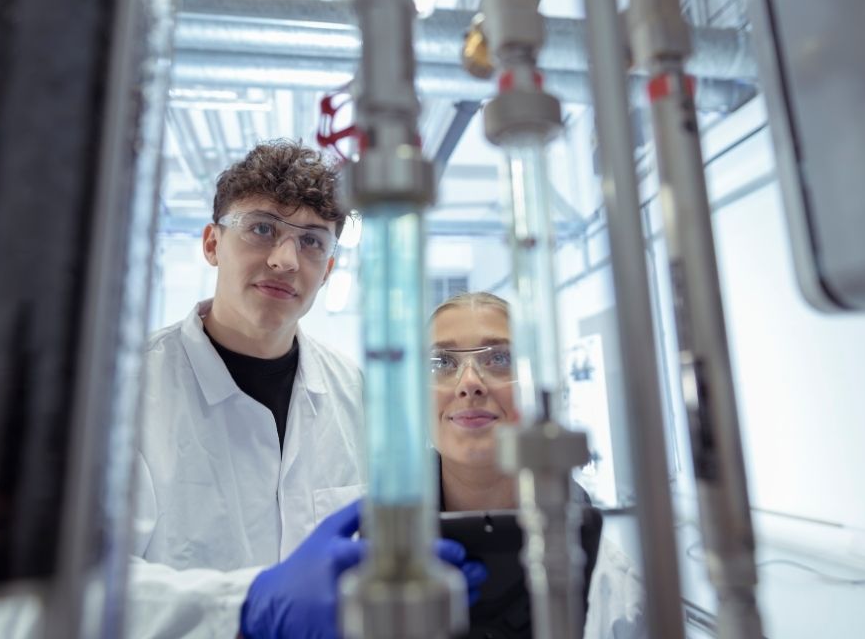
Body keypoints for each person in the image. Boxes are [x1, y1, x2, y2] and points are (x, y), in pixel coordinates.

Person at [126, 140, 478, 638]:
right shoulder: (126, 394)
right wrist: (247, 607)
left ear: (328, 268)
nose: (285, 260)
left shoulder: (357, 395)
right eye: (262, 229)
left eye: (312, 241)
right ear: (211, 243)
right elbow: (73, 589)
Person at [430, 292, 646, 639]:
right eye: (441, 363)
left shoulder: (613, 587)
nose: (469, 383)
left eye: (501, 357)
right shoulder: (371, 569)